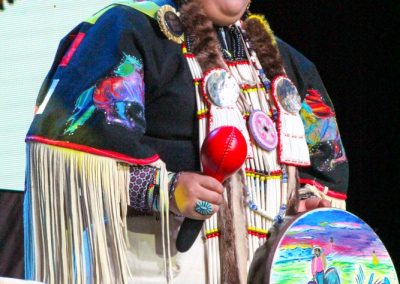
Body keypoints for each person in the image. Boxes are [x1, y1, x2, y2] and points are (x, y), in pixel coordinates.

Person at [24, 0, 348, 283]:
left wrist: (304, 203)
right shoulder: (131, 32)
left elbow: (321, 170)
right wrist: (164, 191)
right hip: (156, 266)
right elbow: (70, 154)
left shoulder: (290, 66)